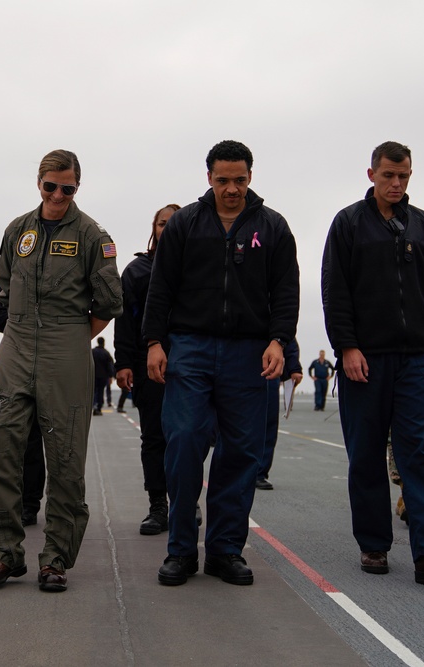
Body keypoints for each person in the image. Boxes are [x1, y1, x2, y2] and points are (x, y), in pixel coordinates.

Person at [144, 140, 299, 586]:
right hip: (190, 348)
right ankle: (180, 551)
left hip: (249, 353)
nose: (232, 189)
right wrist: (155, 342)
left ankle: (225, 550)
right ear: (208, 177)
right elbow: (161, 287)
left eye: (240, 180)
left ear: (250, 177)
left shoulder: (272, 227)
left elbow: (286, 290)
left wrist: (278, 341)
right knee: (185, 440)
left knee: (241, 452)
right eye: (223, 180)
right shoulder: (186, 225)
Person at [0, 149, 122, 593]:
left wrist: (76, 337)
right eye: (51, 186)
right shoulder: (16, 231)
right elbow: (2, 290)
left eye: (68, 188)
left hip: (65, 346)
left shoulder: (94, 235)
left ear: (78, 187)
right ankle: (3, 554)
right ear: (39, 183)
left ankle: (55, 557)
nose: (58, 195)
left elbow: (110, 302)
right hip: (16, 344)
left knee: (65, 460)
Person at [322, 140, 424, 585]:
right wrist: (346, 346)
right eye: (388, 175)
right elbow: (335, 289)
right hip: (365, 359)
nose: (396, 183)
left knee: (423, 451)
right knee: (365, 452)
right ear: (372, 175)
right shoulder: (348, 224)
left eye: (403, 176)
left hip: (418, 359)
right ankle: (374, 545)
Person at [115, 203, 179, 534]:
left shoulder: (196, 267)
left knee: (188, 437)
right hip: (147, 363)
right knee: (154, 437)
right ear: (153, 228)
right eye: (162, 224)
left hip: (187, 363)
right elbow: (124, 320)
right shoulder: (137, 271)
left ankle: (185, 501)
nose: (167, 229)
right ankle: (158, 505)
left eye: (174, 224)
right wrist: (123, 362)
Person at [0, 286, 45, 527]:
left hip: (56, 354)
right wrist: (23, 327)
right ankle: (27, 503)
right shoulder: (16, 261)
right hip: (20, 356)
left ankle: (56, 506)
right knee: (23, 437)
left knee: (62, 438)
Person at [258, 340, 303, 490]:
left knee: (268, 423)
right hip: (236, 365)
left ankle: (259, 472)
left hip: (270, 370)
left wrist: (294, 368)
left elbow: (285, 335)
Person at [91, 337, 114, 415]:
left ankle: (93, 405)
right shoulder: (106, 353)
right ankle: (98, 407)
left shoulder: (92, 352)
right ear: (103, 342)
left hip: (93, 375)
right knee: (100, 392)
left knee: (94, 391)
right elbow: (110, 365)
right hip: (103, 376)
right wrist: (111, 376)